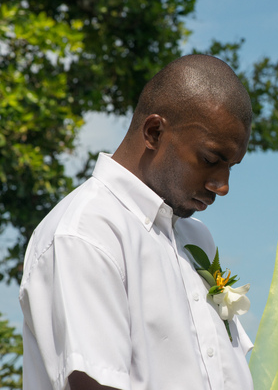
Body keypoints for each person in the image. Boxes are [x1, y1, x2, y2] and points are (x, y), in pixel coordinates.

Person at [19, 54, 254, 390]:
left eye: (231, 166)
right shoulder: (86, 233)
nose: (223, 185)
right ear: (154, 132)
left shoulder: (195, 238)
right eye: (211, 159)